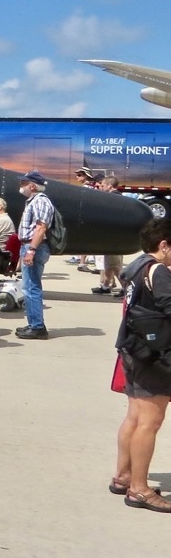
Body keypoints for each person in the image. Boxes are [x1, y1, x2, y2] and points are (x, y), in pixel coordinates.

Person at [112, 218, 171, 512]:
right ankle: (139, 489)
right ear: (164, 245)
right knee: (150, 422)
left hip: (133, 349)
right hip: (155, 355)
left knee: (134, 417)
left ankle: (124, 475)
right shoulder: (158, 271)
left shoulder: (136, 266)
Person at [15, 170, 55, 340]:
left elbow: (41, 228)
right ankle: (33, 323)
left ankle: (37, 327)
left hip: (34, 248)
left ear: (32, 186)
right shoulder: (33, 201)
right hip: (30, 246)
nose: (21, 186)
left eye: (23, 183)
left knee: (31, 287)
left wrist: (31, 250)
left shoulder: (40, 202)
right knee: (29, 286)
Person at [94, 174, 126, 296]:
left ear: (109, 186)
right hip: (116, 235)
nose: (100, 188)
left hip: (113, 237)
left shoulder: (111, 199)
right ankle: (105, 286)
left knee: (115, 264)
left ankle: (127, 288)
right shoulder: (120, 198)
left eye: (102, 185)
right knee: (109, 263)